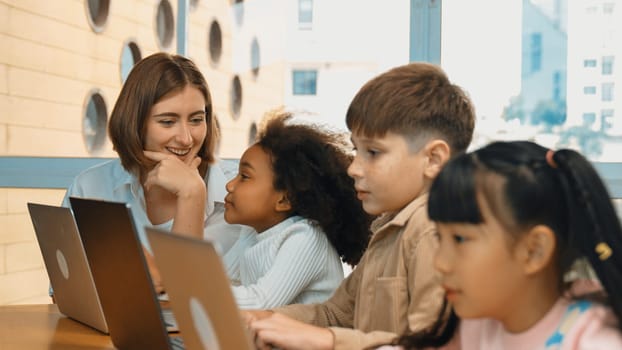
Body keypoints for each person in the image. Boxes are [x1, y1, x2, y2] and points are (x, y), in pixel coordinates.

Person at [246, 62, 476, 350]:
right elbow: (336, 314)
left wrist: (327, 340)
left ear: (433, 159)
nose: (354, 168)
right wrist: (263, 320)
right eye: (356, 150)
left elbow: (430, 345)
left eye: (373, 152)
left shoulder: (433, 231)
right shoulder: (389, 228)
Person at [381, 141, 622, 349]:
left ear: (534, 251)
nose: (440, 263)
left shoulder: (593, 342)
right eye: (439, 238)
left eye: (460, 239)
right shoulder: (481, 323)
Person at [61, 52, 241, 293]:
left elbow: (187, 302)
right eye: (167, 122)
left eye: (197, 120)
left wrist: (192, 193)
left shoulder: (241, 191)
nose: (186, 138)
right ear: (135, 123)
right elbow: (65, 293)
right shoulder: (91, 187)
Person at [221, 112, 372, 309]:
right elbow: (223, 279)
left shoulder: (305, 237)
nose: (230, 185)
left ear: (284, 199)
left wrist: (195, 288)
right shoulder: (252, 232)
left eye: (244, 176)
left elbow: (260, 302)